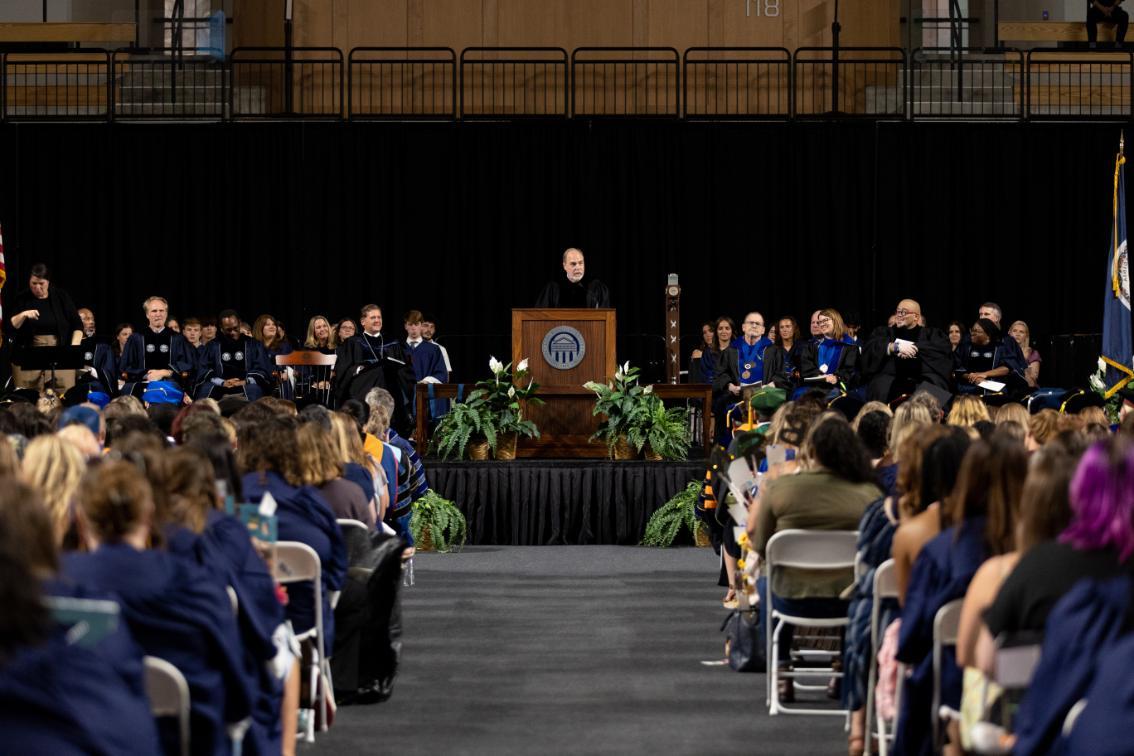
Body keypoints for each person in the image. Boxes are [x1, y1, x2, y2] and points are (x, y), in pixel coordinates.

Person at [64, 460, 256, 756]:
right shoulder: (195, 586)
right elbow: (237, 698)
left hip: (82, 739)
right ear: (150, 513)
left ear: (79, 517)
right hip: (186, 742)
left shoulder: (50, 587)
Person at [750, 417, 882, 700]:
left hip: (790, 596)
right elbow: (875, 552)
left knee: (764, 583)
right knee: (859, 581)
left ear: (812, 450)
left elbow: (761, 546)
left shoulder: (781, 489)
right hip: (848, 601)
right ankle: (842, 666)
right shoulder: (869, 495)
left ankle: (782, 667)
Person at [333, 305, 416, 435]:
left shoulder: (392, 342)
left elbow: (406, 369)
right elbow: (344, 369)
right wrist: (359, 368)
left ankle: (398, 421)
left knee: (389, 372)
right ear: (363, 322)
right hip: (362, 384)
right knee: (381, 370)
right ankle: (388, 424)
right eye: (373, 317)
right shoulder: (353, 342)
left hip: (390, 383)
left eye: (379, 317)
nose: (377, 320)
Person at [5, 263, 84, 392]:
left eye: (41, 283)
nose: (37, 287)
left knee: (63, 393)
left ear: (48, 282)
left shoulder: (60, 296)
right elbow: (10, 326)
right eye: (33, 283)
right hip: (29, 353)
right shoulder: (22, 298)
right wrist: (24, 314)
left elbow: (77, 325)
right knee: (28, 395)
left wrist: (73, 348)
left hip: (59, 350)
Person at [860, 299, 952, 402]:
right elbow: (870, 348)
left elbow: (943, 351)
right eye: (897, 312)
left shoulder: (932, 335)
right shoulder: (885, 332)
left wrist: (913, 348)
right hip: (889, 381)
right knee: (878, 386)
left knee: (935, 388)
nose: (899, 315)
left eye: (903, 312)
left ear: (916, 317)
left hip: (923, 380)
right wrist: (892, 347)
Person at [119, 296, 196, 398]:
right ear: (147, 314)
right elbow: (126, 366)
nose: (158, 314)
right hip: (142, 381)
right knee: (129, 390)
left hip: (170, 381)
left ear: (166, 313)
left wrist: (165, 372)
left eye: (161, 311)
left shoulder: (177, 338)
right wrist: (147, 374)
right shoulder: (136, 338)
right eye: (154, 311)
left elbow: (187, 365)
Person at [195, 310, 275, 402]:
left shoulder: (253, 344)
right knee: (205, 390)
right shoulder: (212, 346)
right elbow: (204, 370)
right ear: (221, 328)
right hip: (220, 385)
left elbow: (262, 368)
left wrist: (245, 381)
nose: (233, 332)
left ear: (240, 323)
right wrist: (222, 382)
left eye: (235, 328)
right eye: (228, 330)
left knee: (255, 390)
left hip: (246, 385)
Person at [800, 308, 859, 392]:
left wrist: (836, 377)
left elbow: (850, 370)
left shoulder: (849, 346)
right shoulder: (812, 346)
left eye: (825, 320)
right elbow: (807, 369)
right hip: (814, 387)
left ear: (835, 320)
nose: (822, 324)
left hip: (839, 387)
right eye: (820, 322)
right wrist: (821, 376)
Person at [534, 247, 611, 308]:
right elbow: (540, 317)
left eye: (581, 263)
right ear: (564, 266)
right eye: (573, 264)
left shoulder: (595, 288)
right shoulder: (553, 289)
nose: (578, 267)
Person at [763, 316, 803, 391]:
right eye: (781, 327)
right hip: (777, 389)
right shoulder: (772, 350)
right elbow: (769, 374)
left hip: (798, 387)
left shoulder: (802, 348)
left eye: (788, 326)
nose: (784, 330)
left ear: (794, 329)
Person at [1008, 320, 1041, 388]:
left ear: (1026, 335)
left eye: (1021, 332)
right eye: (1014, 331)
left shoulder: (1032, 353)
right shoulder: (1001, 350)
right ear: (1009, 333)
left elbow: (1033, 380)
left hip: (1026, 389)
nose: (1018, 334)